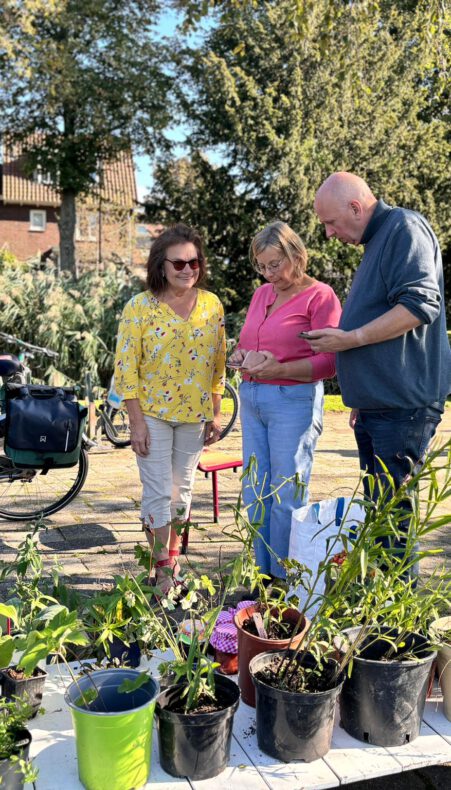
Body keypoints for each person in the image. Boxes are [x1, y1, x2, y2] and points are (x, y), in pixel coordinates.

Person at [309, 171, 451, 550]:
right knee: (379, 518)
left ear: (356, 207)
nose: (329, 233)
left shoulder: (404, 228)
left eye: (330, 223)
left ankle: (395, 609)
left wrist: (350, 338)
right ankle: (380, 606)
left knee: (392, 524)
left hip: (402, 406)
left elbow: (420, 306)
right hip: (380, 405)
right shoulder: (379, 240)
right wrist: (364, 399)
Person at [114, 223, 226, 593]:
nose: (187, 270)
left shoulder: (212, 305)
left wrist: (216, 411)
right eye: (178, 263)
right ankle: (161, 568)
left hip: (194, 416)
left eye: (194, 262)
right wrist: (136, 422)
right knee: (159, 491)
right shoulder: (139, 308)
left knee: (184, 491)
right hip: (153, 416)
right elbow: (126, 368)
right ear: (160, 265)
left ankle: (171, 560)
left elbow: (218, 363)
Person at [228, 221, 341, 578]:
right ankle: (263, 579)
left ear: (296, 254)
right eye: (261, 266)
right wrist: (240, 355)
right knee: (254, 491)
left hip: (293, 400)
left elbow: (330, 362)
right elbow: (251, 342)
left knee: (284, 495)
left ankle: (285, 580)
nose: (268, 273)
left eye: (275, 264)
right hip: (252, 397)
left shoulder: (320, 296)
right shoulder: (262, 294)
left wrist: (280, 369)